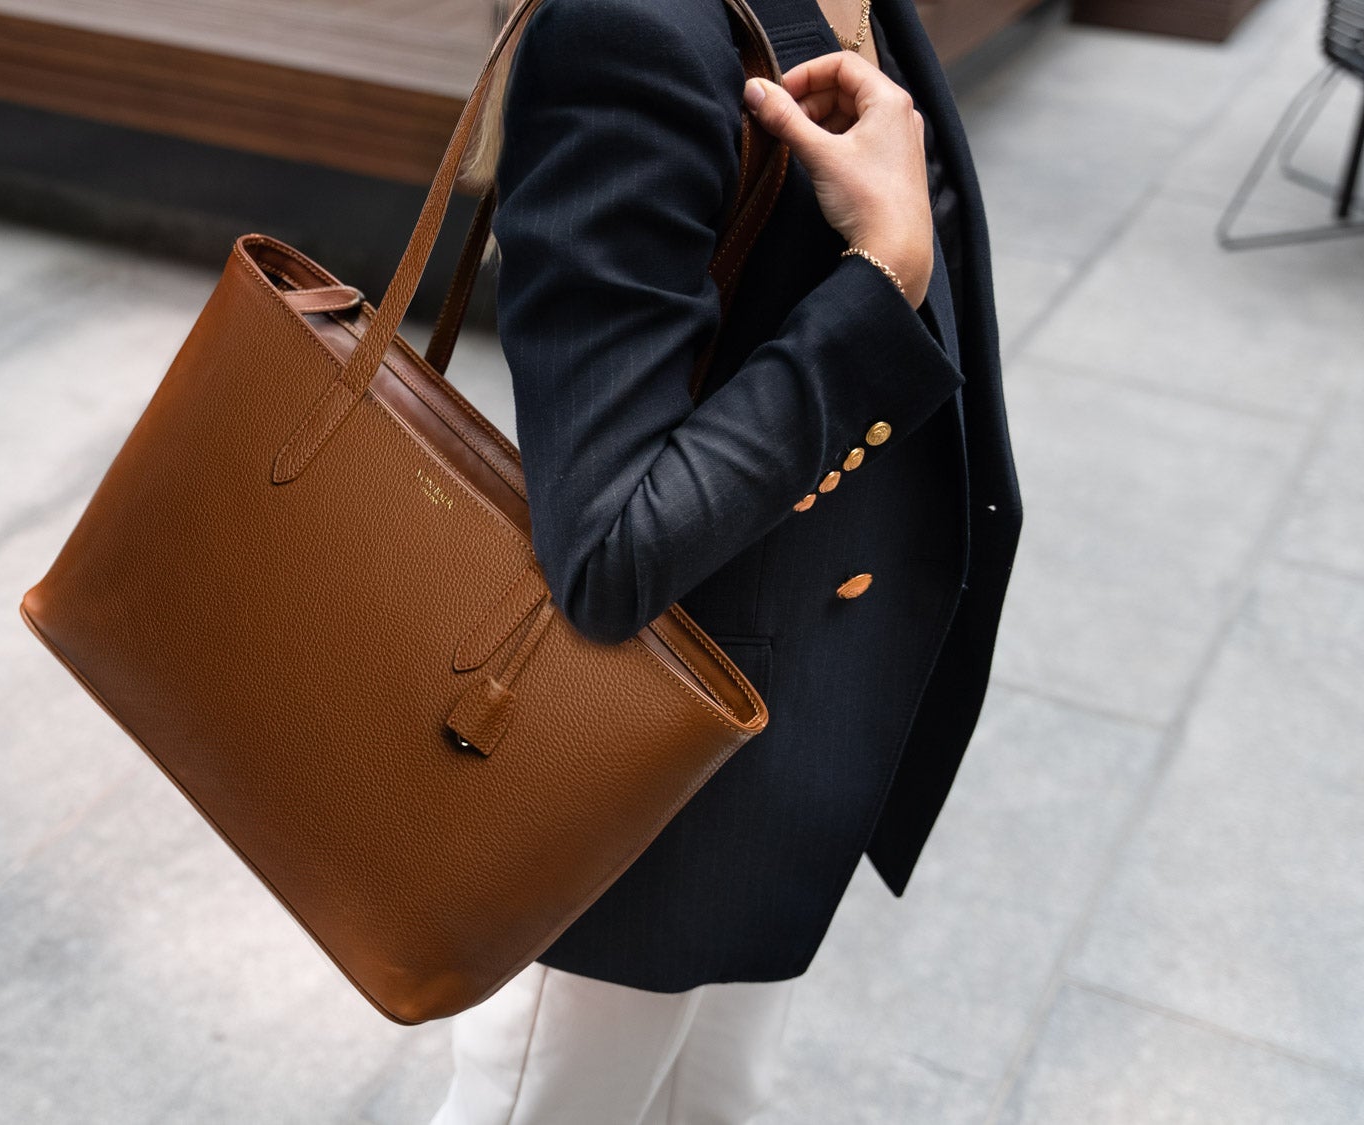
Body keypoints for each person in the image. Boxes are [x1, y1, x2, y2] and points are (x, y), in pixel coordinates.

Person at [428, 0, 1023, 1119]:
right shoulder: (630, 29)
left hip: (785, 735)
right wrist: (880, 275)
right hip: (640, 795)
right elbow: (608, 550)